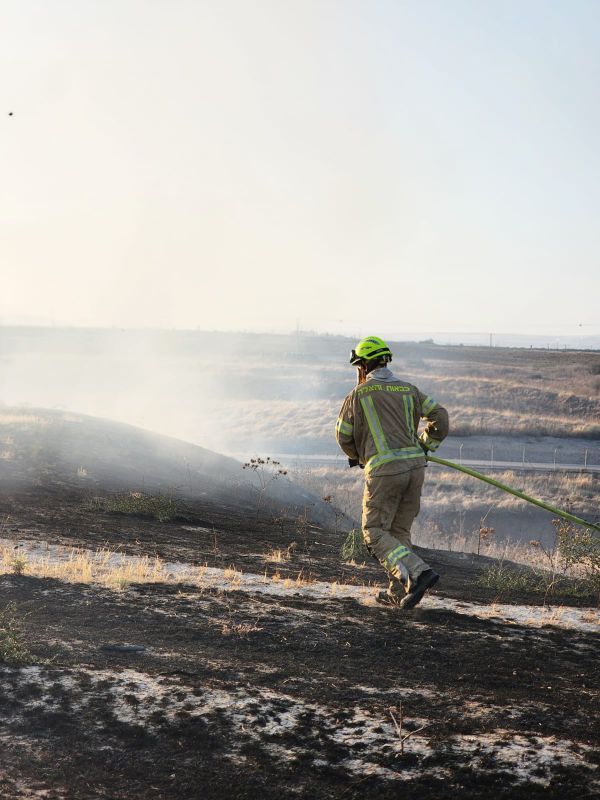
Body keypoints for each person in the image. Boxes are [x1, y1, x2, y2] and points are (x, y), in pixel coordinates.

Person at [335, 336, 449, 609]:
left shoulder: (358, 394)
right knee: (398, 532)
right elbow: (441, 419)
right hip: (415, 469)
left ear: (365, 364)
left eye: (358, 366)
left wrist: (358, 456)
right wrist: (424, 446)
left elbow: (343, 435)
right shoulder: (409, 389)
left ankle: (420, 573)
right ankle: (399, 594)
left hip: (385, 471)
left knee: (374, 532)